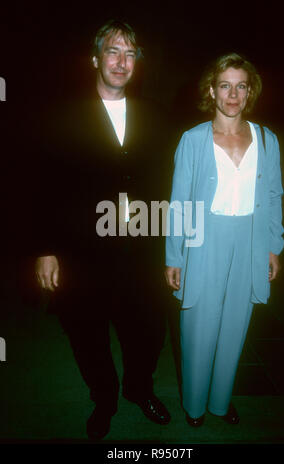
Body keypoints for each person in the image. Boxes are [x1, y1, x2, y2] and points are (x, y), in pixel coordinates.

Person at [34, 19, 171, 440]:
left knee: (147, 329)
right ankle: (105, 397)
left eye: (131, 54)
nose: (122, 61)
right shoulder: (60, 115)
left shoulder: (157, 115)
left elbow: (171, 183)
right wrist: (45, 249)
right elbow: (41, 185)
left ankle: (139, 389)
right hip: (83, 251)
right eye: (113, 51)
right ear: (95, 58)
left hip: (143, 247)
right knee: (88, 333)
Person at [165, 53, 284, 426]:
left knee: (236, 325)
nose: (233, 94)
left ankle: (220, 401)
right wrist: (175, 256)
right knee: (198, 326)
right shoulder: (193, 139)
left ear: (250, 92)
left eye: (241, 86)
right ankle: (195, 405)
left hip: (248, 240)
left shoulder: (267, 139)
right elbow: (179, 203)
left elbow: (274, 195)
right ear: (211, 91)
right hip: (205, 240)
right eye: (225, 85)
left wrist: (273, 246)